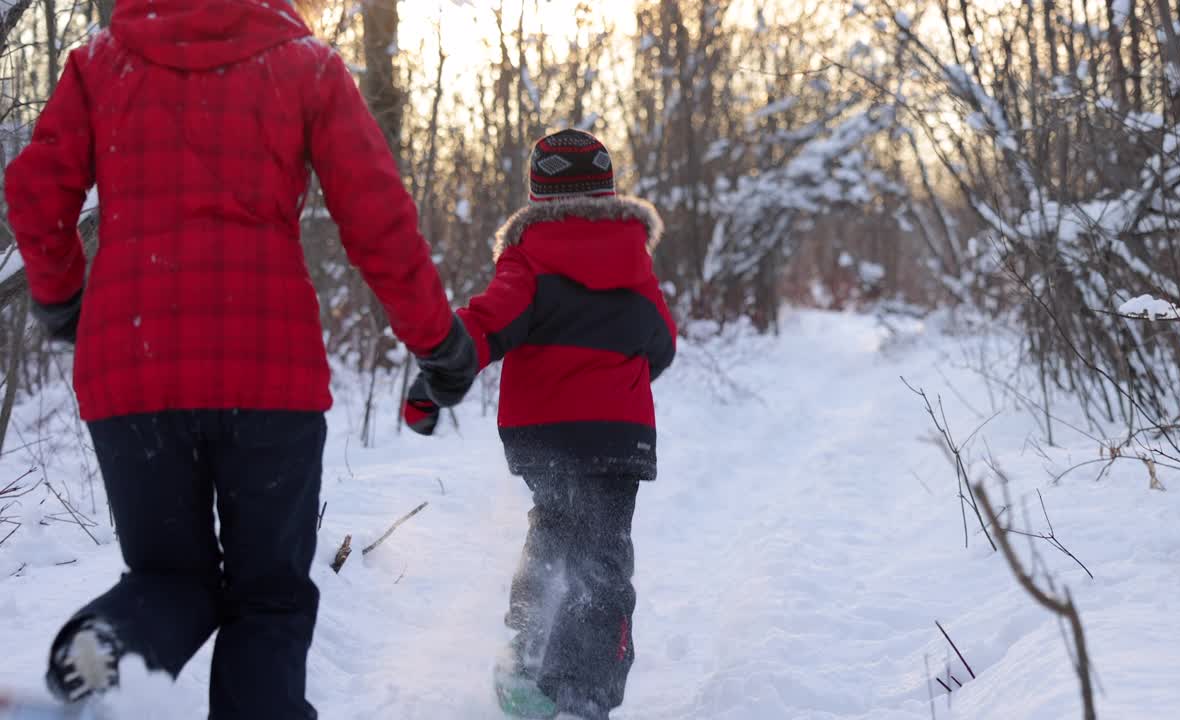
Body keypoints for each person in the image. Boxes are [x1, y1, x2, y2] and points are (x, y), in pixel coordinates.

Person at [4, 0, 476, 716]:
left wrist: (65, 300)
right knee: (269, 596)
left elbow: (37, 193)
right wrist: (437, 341)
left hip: (131, 363)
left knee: (169, 579)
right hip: (268, 374)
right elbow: (377, 217)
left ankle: (101, 654)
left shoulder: (101, 62)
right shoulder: (306, 65)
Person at [408, 129, 677, 720]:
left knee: (552, 530)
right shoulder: (634, 260)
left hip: (544, 435)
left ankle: (528, 661)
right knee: (604, 554)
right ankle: (584, 693)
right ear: (607, 192)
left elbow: (487, 322)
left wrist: (441, 370)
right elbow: (661, 343)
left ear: (538, 194)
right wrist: (619, 380)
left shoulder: (528, 258)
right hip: (617, 435)